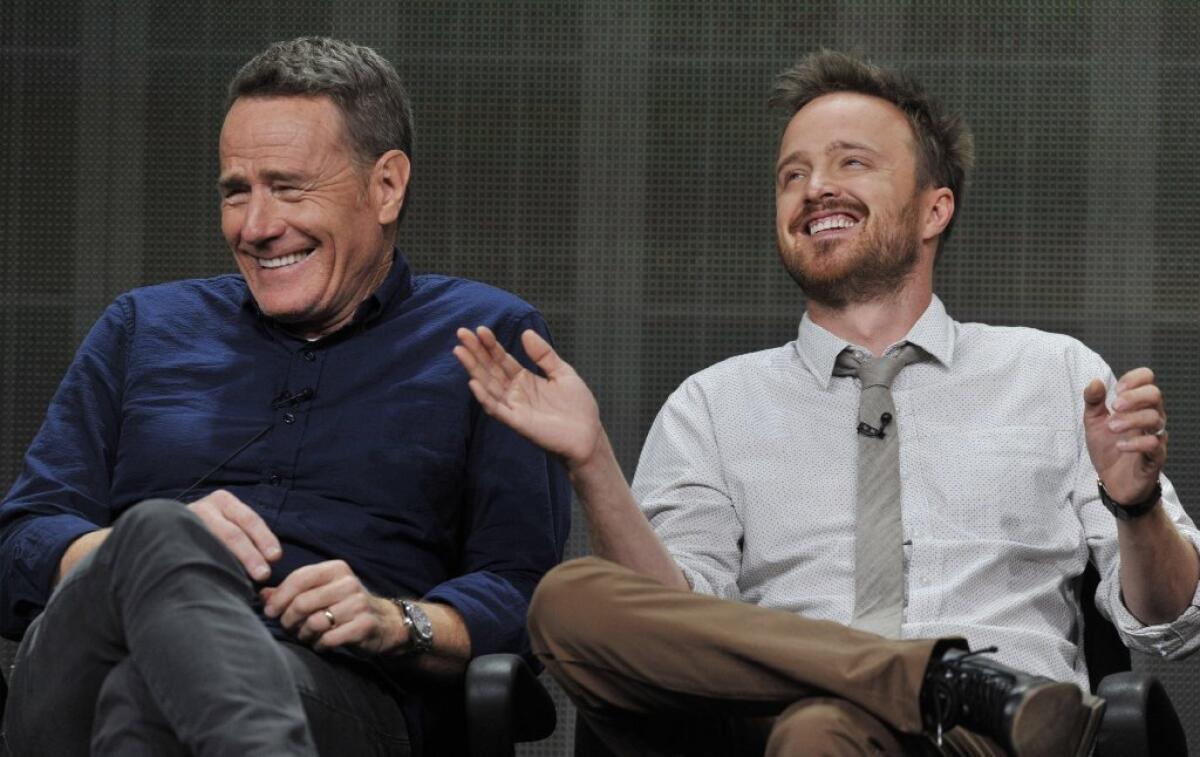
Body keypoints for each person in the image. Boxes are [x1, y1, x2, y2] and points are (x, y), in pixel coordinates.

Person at [454, 50, 1200, 756]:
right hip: (766, 725)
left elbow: (1173, 618)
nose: (815, 189)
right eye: (792, 174)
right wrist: (592, 464)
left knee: (821, 731)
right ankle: (936, 680)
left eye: (852, 162)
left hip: (997, 737)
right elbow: (668, 619)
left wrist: (1134, 507)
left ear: (934, 208)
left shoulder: (1053, 371)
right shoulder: (712, 404)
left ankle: (923, 687)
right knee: (568, 600)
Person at [0, 37, 569, 756]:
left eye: (289, 187)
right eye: (236, 190)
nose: (256, 226)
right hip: (82, 666)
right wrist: (142, 555)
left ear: (386, 186)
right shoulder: (142, 327)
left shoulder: (485, 338)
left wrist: (396, 620)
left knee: (144, 699)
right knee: (157, 536)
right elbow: (18, 541)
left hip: (329, 691)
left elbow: (527, 594)